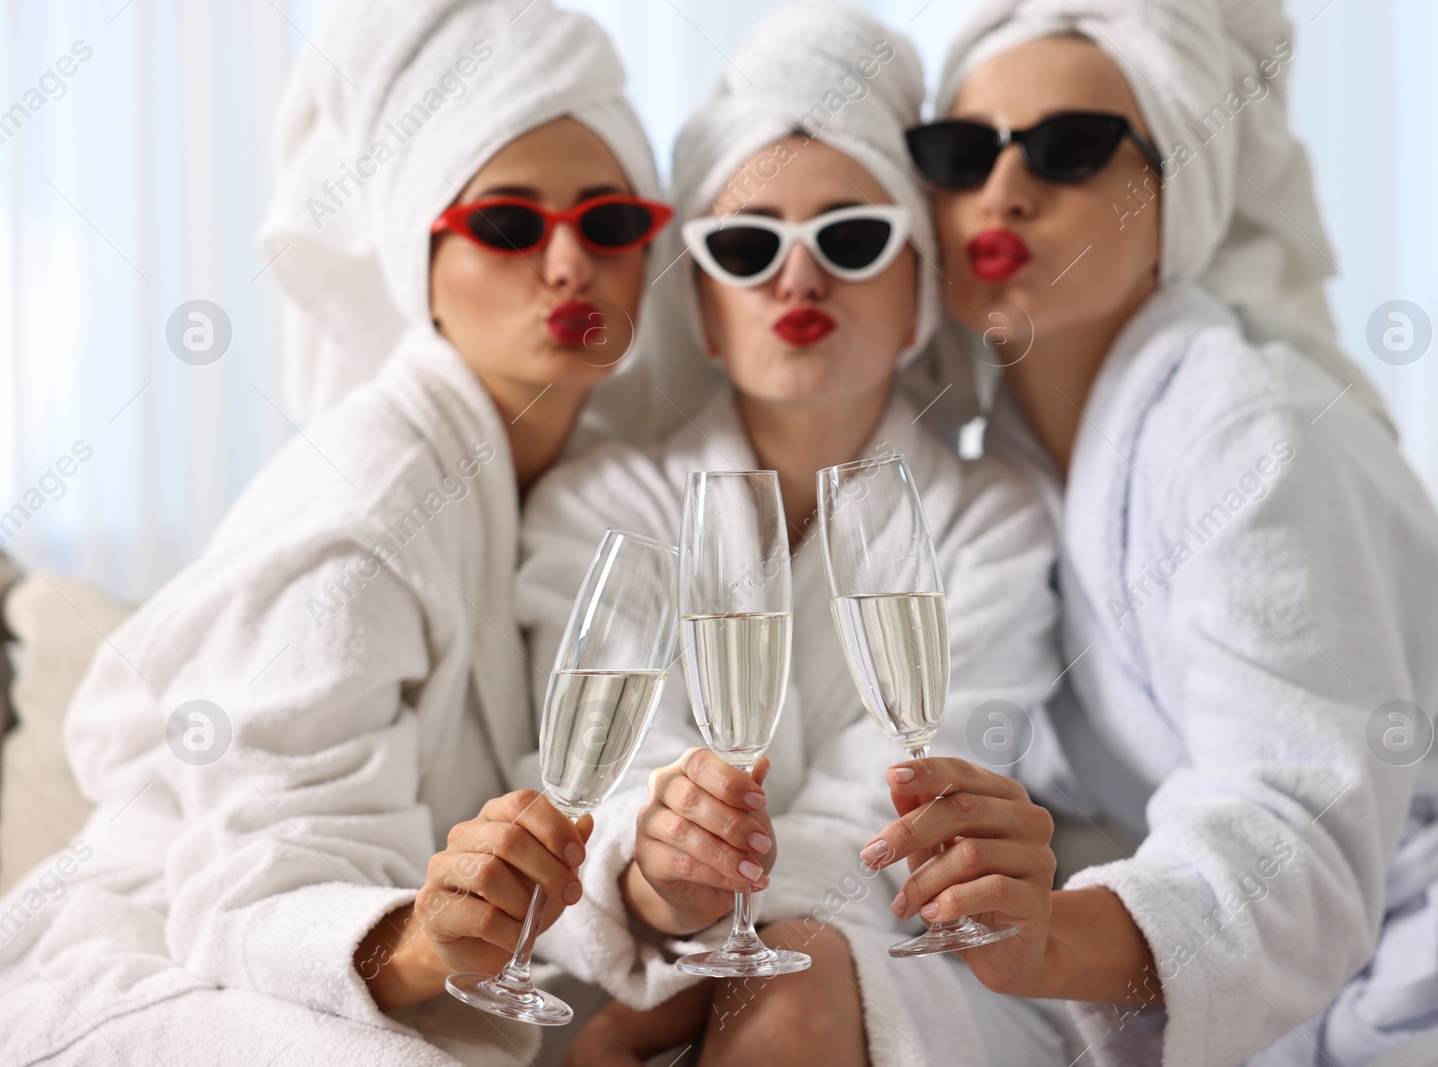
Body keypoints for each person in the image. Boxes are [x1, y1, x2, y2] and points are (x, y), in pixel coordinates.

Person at [860, 1, 1438, 1065]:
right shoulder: (1005, 471)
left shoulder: (1250, 423)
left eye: (1069, 149)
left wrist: (1050, 937)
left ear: (1181, 198)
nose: (1004, 188)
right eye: (961, 152)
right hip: (1328, 954)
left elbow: (1288, 812)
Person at [0, 2, 671, 1063]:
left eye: (609, 221)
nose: (566, 264)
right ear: (420, 256)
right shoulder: (368, 501)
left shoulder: (580, 494)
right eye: (505, 223)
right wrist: (430, 933)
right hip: (151, 966)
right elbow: (254, 890)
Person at [512, 6, 1078, 1066]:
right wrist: (665, 872)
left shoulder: (991, 518)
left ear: (919, 291)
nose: (798, 278)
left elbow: (916, 792)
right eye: (746, 243)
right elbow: (607, 772)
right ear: (706, 306)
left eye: (853, 238)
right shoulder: (599, 510)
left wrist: (716, 965)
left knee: (810, 973)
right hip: (656, 952)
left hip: (919, 963)